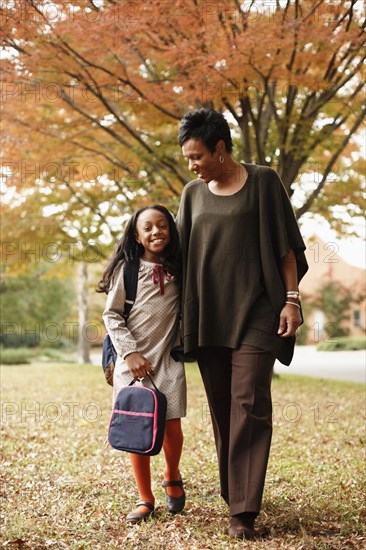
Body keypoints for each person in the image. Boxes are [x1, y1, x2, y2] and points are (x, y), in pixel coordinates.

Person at [176, 108, 308, 540]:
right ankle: (235, 491)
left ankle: (243, 511)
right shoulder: (192, 194)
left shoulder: (265, 181)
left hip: (257, 311)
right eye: (187, 158)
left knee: (249, 403)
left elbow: (286, 247)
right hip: (208, 313)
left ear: (220, 148)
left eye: (197, 156)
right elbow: (175, 256)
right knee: (223, 410)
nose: (192, 166)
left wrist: (291, 301)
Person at [98, 205, 187, 524]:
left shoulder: (180, 267)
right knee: (138, 428)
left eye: (162, 225)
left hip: (167, 358)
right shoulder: (128, 270)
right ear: (136, 236)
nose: (156, 231)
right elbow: (111, 315)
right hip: (131, 362)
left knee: (172, 427)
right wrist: (130, 353)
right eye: (147, 227)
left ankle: (172, 474)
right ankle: (145, 498)